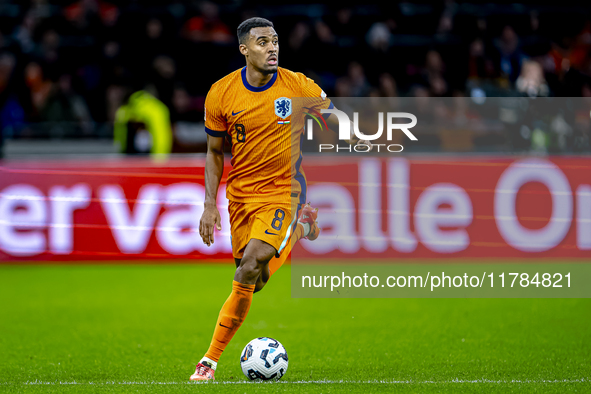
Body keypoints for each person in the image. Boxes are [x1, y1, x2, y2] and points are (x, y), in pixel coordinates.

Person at [190, 17, 366, 381]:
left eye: (275, 41)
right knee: (256, 279)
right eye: (262, 42)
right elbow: (214, 152)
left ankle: (208, 361)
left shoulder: (297, 85)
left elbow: (335, 118)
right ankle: (303, 229)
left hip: (283, 190)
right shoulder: (220, 93)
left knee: (250, 264)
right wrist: (210, 204)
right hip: (240, 196)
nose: (272, 48)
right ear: (244, 49)